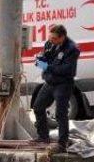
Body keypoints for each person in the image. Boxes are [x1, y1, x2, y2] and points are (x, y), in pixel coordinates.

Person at [33, 24, 80, 152]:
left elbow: (68, 69)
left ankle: (62, 142)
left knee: (60, 113)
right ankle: (43, 136)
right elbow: (47, 57)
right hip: (50, 82)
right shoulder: (49, 43)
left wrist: (47, 67)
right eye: (50, 37)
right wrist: (40, 59)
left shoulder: (72, 49)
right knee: (38, 107)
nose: (51, 40)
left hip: (63, 84)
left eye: (54, 38)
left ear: (62, 37)